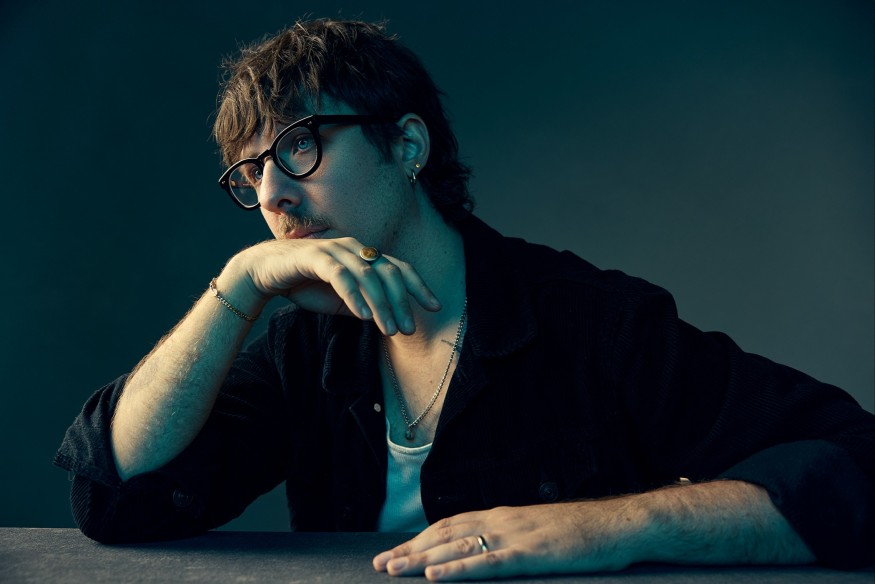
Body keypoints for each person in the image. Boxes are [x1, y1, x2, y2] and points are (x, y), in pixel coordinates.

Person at [55, 18, 874, 581]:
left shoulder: (591, 322)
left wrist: (606, 526)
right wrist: (238, 287)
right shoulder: (304, 349)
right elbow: (117, 498)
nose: (273, 195)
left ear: (405, 144)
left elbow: (856, 468)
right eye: (250, 173)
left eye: (298, 146)